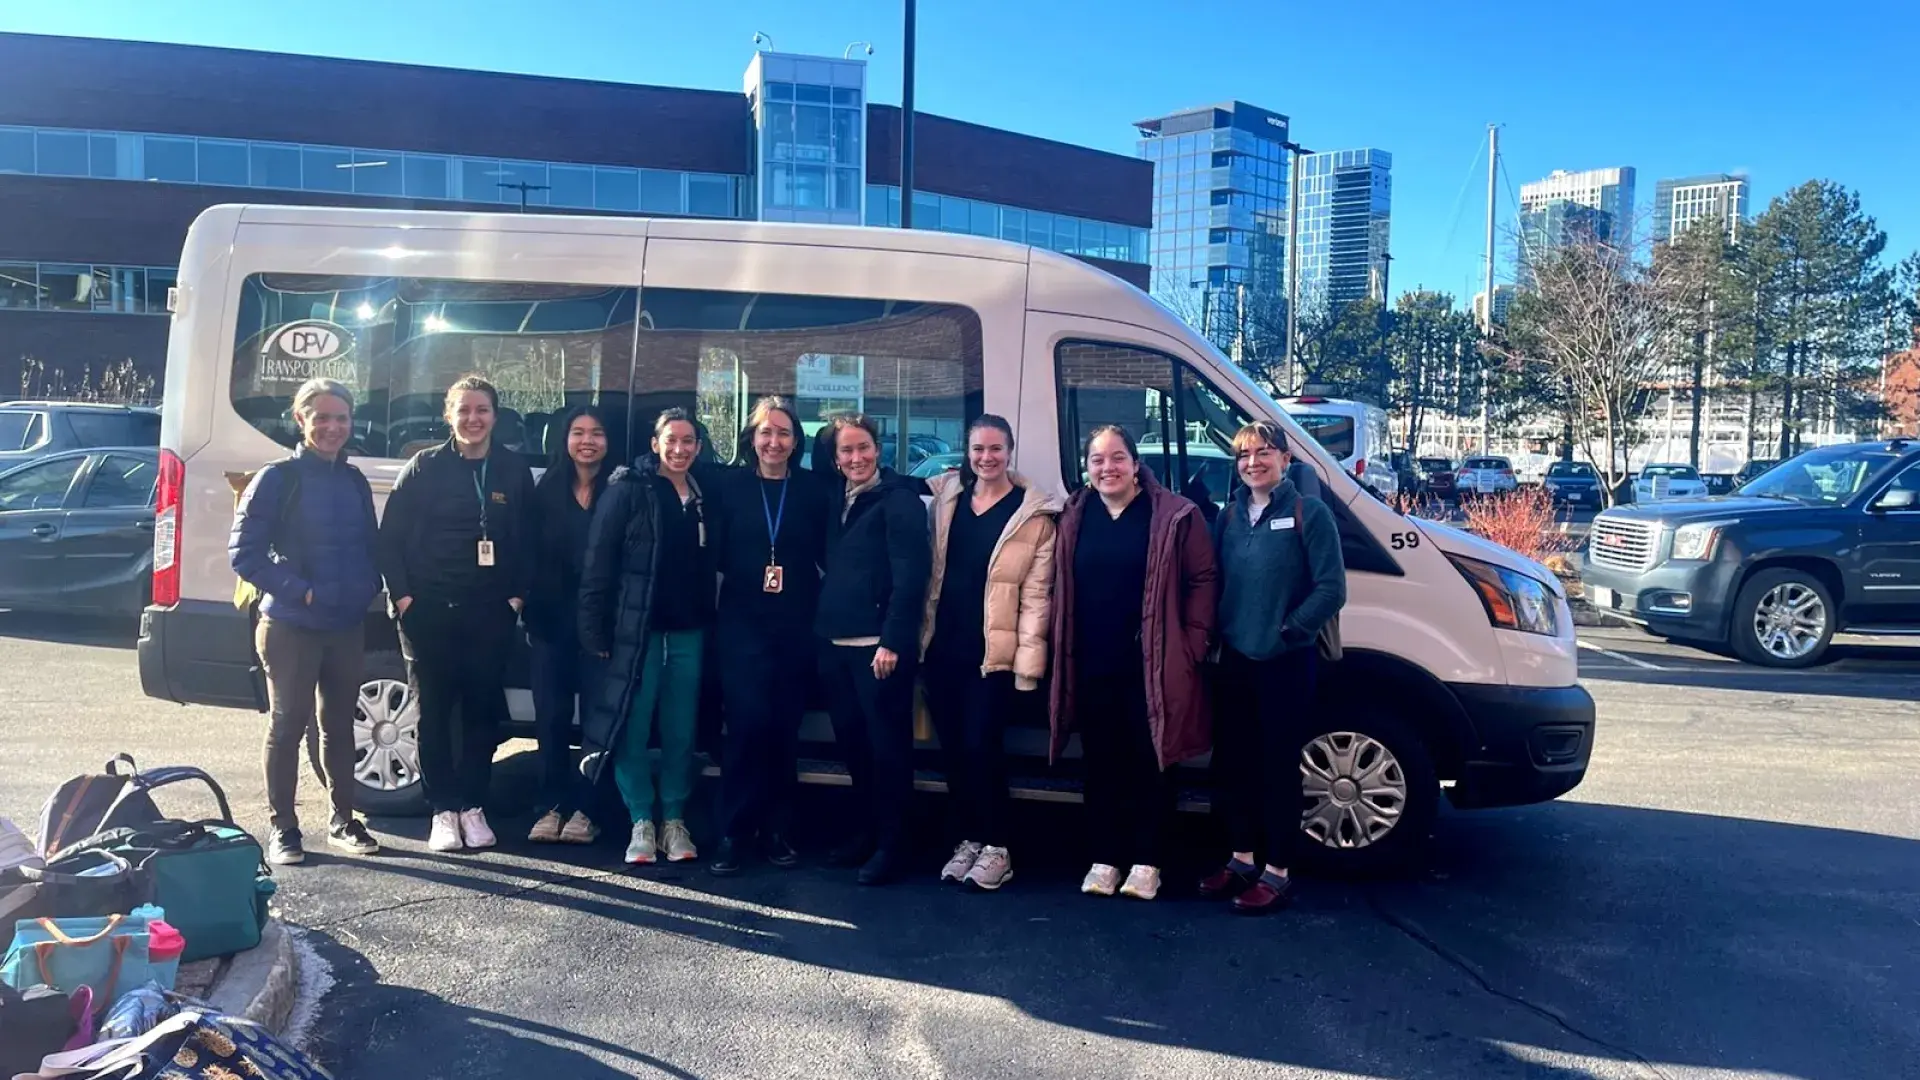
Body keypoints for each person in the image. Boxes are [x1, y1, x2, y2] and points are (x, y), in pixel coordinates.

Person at [1048, 424, 1217, 901]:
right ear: (1087, 467)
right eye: (1098, 460)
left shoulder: (1173, 515)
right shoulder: (1075, 514)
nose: (1108, 468)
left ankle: (1148, 861)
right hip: (1092, 662)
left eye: (1118, 457)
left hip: (1152, 666)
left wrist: (1193, 644)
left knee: (1152, 762)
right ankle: (1105, 858)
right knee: (1101, 763)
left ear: (1136, 463)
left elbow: (1203, 579)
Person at [378, 374, 535, 854]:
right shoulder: (424, 467)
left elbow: (531, 541)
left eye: (482, 410)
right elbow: (390, 539)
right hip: (428, 611)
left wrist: (515, 599)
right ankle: (443, 810)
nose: (473, 418)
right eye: (463, 410)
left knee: (482, 713)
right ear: (449, 415)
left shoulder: (512, 470)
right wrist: (404, 600)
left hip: (489, 613)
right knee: (433, 714)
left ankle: (473, 806)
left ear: (495, 416)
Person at [229, 377, 383, 865]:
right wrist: (302, 590)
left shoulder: (354, 480)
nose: (332, 427)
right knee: (287, 726)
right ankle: (284, 829)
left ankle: (343, 819)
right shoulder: (277, 478)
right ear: (301, 420)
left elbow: (370, 546)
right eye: (322, 418)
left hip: (345, 623)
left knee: (339, 725)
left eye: (341, 418)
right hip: (290, 625)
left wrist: (368, 586)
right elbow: (244, 554)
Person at [1199, 421, 1346, 914]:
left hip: (1285, 662)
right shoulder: (1229, 516)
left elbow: (1332, 588)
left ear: (1285, 459)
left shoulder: (1309, 513)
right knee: (1234, 763)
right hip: (1235, 660)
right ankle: (1241, 859)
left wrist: (1289, 629)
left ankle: (1278, 871)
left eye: (1263, 452)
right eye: (1244, 455)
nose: (1253, 462)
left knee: (1278, 767)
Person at [920, 415, 1058, 891]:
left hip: (991, 656)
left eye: (996, 448)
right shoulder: (947, 499)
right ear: (967, 451)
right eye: (978, 449)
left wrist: (1027, 665)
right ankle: (969, 839)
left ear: (1010, 451)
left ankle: (998, 846)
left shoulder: (1033, 515)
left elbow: (1037, 597)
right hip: (942, 648)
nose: (986, 457)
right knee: (954, 751)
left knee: (983, 749)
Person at [578, 408, 716, 866]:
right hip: (637, 634)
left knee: (680, 731)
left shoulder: (701, 494)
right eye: (671, 440)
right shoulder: (628, 490)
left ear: (698, 447)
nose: (679, 449)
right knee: (631, 728)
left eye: (688, 441)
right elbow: (598, 561)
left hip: (688, 632)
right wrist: (593, 629)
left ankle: (674, 819)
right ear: (655, 444)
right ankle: (641, 818)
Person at [708, 396, 832, 876]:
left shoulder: (814, 490)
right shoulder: (730, 486)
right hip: (742, 623)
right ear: (751, 439)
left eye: (783, 433)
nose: (774, 442)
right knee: (745, 727)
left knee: (784, 728)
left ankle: (778, 830)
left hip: (797, 623)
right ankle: (733, 832)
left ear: (796, 441)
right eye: (765, 432)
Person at [814, 414, 932, 886]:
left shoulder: (899, 501)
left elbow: (911, 576)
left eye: (864, 447)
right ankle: (866, 834)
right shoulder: (836, 499)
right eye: (846, 450)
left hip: (877, 651)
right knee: (855, 748)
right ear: (835, 458)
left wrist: (893, 641)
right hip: (836, 645)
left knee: (888, 752)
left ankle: (892, 844)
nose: (856, 457)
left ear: (878, 450)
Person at [523, 406, 613, 846]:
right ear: (563, 439)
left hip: (602, 625)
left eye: (597, 433)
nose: (587, 441)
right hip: (551, 621)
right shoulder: (545, 489)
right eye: (578, 432)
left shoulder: (620, 489)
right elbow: (528, 553)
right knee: (552, 718)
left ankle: (588, 809)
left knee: (599, 720)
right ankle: (550, 805)